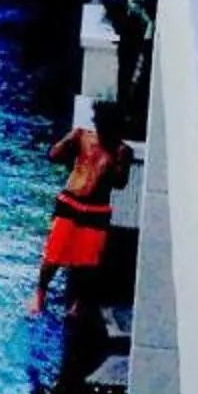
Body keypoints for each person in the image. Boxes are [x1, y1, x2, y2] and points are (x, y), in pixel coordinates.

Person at [31, 104, 133, 313]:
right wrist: (69, 140)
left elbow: (121, 183)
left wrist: (110, 163)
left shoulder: (122, 151)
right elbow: (53, 155)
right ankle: (40, 294)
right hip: (70, 202)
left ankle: (77, 303)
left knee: (87, 261)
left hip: (96, 209)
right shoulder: (82, 137)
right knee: (54, 253)